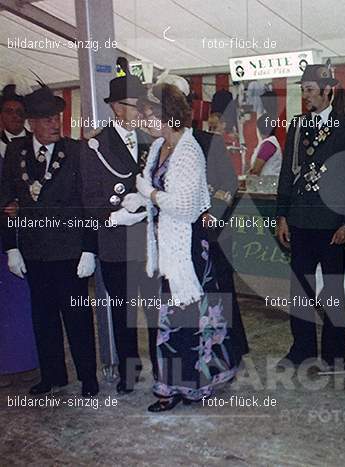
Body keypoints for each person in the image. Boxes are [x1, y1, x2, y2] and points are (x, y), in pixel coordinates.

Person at [116, 83, 246, 411]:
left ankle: (185, 386)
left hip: (187, 247)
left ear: (167, 113)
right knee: (171, 320)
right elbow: (157, 196)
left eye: (148, 112)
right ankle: (171, 385)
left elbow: (187, 206)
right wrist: (138, 202)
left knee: (186, 319)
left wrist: (148, 194)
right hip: (167, 243)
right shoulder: (159, 146)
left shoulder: (188, 150)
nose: (143, 118)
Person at [0, 85, 99, 397]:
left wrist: (89, 249)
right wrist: (11, 247)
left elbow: (89, 202)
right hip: (34, 250)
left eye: (57, 117)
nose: (55, 124)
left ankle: (88, 377)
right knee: (43, 317)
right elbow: (6, 197)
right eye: (46, 120)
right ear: (31, 123)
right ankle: (53, 375)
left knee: (78, 317)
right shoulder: (16, 152)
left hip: (70, 250)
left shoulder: (76, 151)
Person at [275, 64, 345, 370]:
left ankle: (335, 352)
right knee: (300, 287)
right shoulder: (297, 126)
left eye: (311, 89)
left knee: (334, 290)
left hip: (332, 223)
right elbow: (287, 174)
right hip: (300, 220)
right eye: (304, 89)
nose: (306, 95)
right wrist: (281, 216)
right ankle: (302, 348)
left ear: (329, 90)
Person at [80, 73, 158, 394]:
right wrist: (118, 216)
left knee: (154, 308)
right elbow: (89, 199)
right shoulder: (95, 147)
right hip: (115, 241)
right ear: (115, 107)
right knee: (123, 310)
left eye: (143, 105)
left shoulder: (150, 143)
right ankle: (129, 367)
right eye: (133, 105)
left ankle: (162, 365)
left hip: (149, 241)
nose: (140, 110)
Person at [0, 83, 38, 387]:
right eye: (9, 112)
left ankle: (29, 361)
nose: (15, 117)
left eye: (19, 113)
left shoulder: (32, 144)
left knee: (25, 302)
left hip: (28, 234)